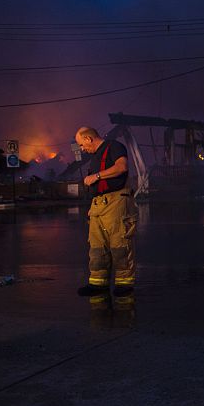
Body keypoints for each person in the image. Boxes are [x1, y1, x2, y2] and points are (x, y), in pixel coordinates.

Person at [74, 127, 137, 297]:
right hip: (98, 205)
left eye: (81, 144)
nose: (82, 149)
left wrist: (96, 176)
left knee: (120, 244)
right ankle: (98, 283)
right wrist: (93, 205)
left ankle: (124, 284)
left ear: (88, 139)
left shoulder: (114, 146)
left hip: (116, 202)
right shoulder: (96, 156)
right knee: (97, 247)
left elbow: (122, 167)